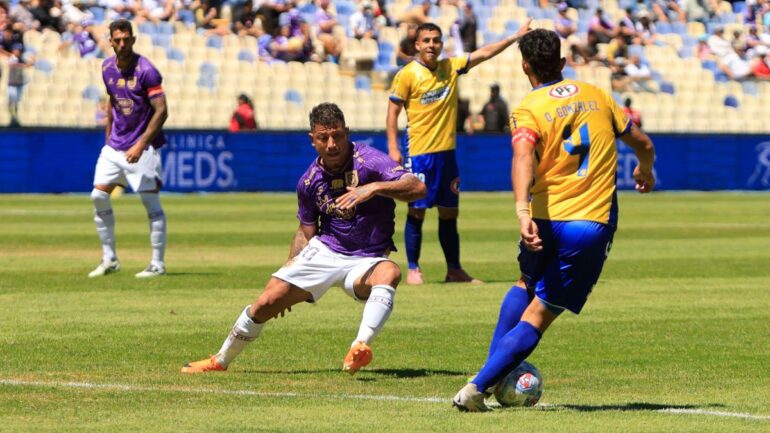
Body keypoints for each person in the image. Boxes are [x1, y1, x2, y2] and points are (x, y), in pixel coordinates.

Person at [452, 29, 656, 412]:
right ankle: (477, 387)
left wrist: (522, 211)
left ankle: (491, 375)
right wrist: (645, 171)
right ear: (562, 63)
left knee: (524, 284)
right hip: (588, 224)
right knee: (541, 311)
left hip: (544, 217)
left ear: (525, 65)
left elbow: (522, 158)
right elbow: (643, 143)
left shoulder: (528, 108)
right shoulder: (597, 96)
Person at [181, 103, 426, 374]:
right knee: (265, 302)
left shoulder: (369, 160)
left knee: (390, 272)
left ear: (347, 132)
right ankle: (220, 360)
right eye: (324, 137)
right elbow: (305, 231)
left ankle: (359, 346)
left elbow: (417, 186)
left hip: (367, 259)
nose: (332, 144)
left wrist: (374, 188)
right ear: (313, 140)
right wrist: (287, 274)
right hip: (326, 251)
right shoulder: (308, 182)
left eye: (338, 136)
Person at [386, 20, 532, 285]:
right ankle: (413, 268)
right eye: (427, 40)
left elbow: (484, 53)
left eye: (436, 40)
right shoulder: (407, 74)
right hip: (419, 153)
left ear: (441, 44)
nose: (432, 45)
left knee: (449, 212)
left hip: (447, 155)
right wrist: (394, 147)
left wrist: (514, 37)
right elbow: (393, 111)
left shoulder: (450, 67)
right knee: (417, 211)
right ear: (417, 45)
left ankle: (454, 269)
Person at [88, 19, 169, 279]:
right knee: (98, 196)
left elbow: (161, 110)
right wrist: (108, 137)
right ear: (110, 41)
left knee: (151, 203)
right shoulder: (106, 67)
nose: (122, 44)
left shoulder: (147, 71)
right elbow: (112, 102)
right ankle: (109, 258)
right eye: (117, 40)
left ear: (133, 40)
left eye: (126, 39)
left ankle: (157, 263)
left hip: (142, 148)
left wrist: (141, 143)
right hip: (115, 146)